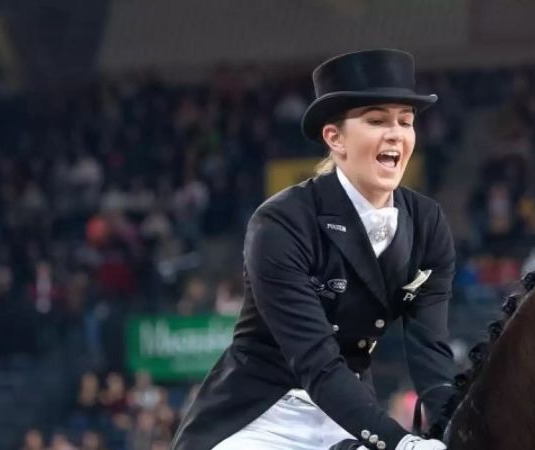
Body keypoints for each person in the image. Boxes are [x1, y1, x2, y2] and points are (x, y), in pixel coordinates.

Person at [171, 49, 456, 450]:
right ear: (334, 138)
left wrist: (456, 432)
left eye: (405, 122)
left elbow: (431, 354)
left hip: (349, 413)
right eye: (376, 120)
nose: (396, 133)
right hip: (259, 417)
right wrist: (401, 444)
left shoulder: (428, 223)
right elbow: (317, 363)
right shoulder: (281, 223)